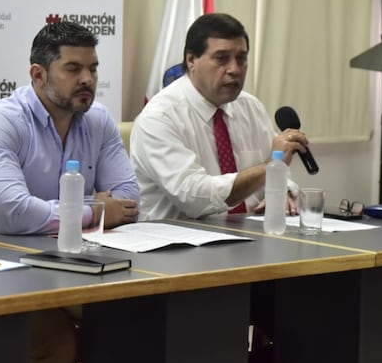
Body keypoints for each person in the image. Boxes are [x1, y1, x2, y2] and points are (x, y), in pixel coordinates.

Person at [0, 20, 140, 363]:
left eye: (93, 68)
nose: (87, 79)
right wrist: (95, 210)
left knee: (135, 321)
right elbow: (14, 213)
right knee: (52, 343)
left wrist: (86, 210)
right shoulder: (2, 122)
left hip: (69, 264)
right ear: (38, 74)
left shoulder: (98, 120)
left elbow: (129, 199)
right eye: (73, 68)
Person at [131, 12, 306, 221]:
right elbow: (194, 197)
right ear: (191, 60)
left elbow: (275, 174)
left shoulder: (250, 107)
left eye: (241, 59)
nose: (234, 69)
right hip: (179, 243)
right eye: (221, 59)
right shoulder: (159, 117)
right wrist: (269, 168)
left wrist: (282, 191)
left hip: (250, 237)